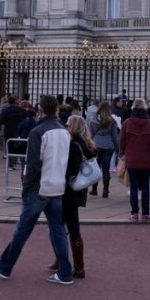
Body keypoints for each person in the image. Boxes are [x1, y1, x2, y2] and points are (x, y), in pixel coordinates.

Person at [0, 95, 74, 284]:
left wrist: (26, 187)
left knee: (23, 229)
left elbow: (33, 165)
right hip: (57, 186)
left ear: (41, 110)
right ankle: (65, 272)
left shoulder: (38, 131)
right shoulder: (65, 132)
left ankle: (4, 266)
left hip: (39, 187)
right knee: (58, 229)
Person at [51, 115, 96, 278]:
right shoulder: (86, 143)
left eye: (68, 124)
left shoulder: (73, 144)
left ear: (74, 127)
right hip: (78, 189)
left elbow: (71, 170)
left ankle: (75, 265)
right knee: (65, 224)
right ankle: (68, 262)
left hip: (69, 190)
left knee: (64, 226)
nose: (66, 127)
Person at [119, 98, 150, 221]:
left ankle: (134, 213)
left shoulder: (127, 123)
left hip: (131, 159)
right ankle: (146, 213)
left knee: (133, 187)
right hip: (145, 159)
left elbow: (121, 141)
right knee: (145, 186)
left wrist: (127, 149)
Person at [88, 100, 119, 197]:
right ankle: (105, 190)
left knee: (96, 168)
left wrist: (89, 145)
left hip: (97, 145)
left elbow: (91, 134)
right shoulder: (112, 121)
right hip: (109, 146)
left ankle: (94, 189)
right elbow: (115, 136)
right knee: (106, 168)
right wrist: (117, 149)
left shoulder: (94, 119)